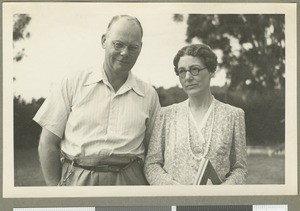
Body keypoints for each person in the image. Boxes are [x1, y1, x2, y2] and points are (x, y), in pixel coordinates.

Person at [33, 15, 160, 186]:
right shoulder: (72, 83)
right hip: (78, 180)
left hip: (131, 184)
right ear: (104, 41)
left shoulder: (149, 94)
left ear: (140, 48)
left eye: (133, 47)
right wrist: (56, 192)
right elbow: (47, 143)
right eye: (118, 44)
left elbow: (154, 152)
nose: (125, 52)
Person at [144, 44, 247, 185]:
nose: (187, 77)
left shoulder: (233, 115)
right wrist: (175, 191)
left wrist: (221, 193)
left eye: (195, 70)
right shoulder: (166, 115)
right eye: (182, 71)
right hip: (174, 202)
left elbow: (240, 169)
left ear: (211, 71)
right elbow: (152, 165)